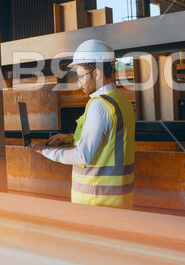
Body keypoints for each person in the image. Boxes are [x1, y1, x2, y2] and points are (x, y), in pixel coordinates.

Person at [40, 39, 135, 209]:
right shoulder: (122, 101)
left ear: (97, 74)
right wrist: (71, 138)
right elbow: (110, 140)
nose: (79, 83)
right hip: (118, 201)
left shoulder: (99, 105)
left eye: (81, 77)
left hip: (96, 201)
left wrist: (48, 152)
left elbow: (84, 156)